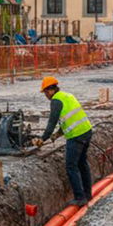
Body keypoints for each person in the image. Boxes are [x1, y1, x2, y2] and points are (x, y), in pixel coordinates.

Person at [33, 77, 94, 206]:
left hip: (76, 136)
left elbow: (52, 122)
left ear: (50, 90)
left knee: (71, 166)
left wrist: (42, 139)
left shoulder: (56, 101)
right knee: (82, 163)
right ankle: (88, 194)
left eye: (45, 92)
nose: (45, 95)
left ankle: (79, 198)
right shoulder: (67, 96)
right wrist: (58, 134)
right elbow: (68, 118)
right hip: (86, 131)